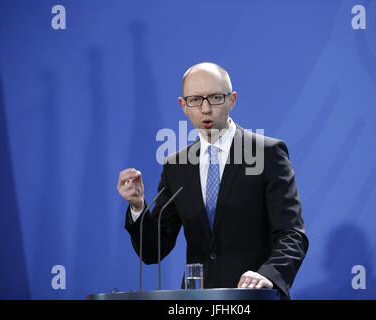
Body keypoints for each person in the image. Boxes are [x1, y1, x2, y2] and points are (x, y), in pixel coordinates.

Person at [117, 62, 308, 299]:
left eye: (215, 98)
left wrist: (268, 275)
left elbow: (292, 234)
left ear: (232, 100)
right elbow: (153, 251)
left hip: (252, 297)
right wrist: (137, 207)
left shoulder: (267, 153)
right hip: (196, 304)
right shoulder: (176, 166)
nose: (205, 109)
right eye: (195, 100)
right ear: (183, 105)